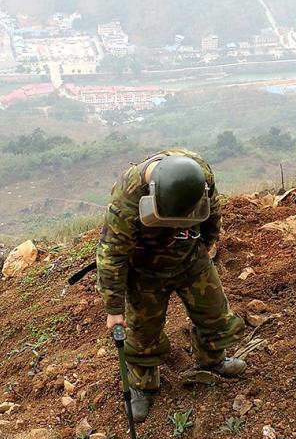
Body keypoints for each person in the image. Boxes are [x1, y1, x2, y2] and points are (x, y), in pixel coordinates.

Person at [96, 148, 245, 422]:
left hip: (190, 259)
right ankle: (142, 385)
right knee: (142, 335)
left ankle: (212, 360)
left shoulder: (202, 178)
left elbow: (213, 217)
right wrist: (114, 308)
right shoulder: (128, 195)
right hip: (145, 271)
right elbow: (112, 254)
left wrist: (204, 248)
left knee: (214, 315)